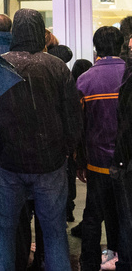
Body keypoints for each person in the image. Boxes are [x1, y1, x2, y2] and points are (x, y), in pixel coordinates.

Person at [0, 8, 81, 271]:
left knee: (4, 230)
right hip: (50, 162)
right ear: (41, 32)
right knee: (54, 232)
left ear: (15, 32)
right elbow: (72, 117)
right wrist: (67, 151)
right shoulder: (56, 66)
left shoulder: (0, 64)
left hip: (7, 162)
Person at [75, 26, 124, 271]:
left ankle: (89, 262)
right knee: (124, 216)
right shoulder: (129, 74)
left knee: (93, 216)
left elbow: (78, 127)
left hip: (97, 163)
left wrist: (80, 161)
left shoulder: (85, 80)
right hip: (126, 164)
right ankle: (121, 258)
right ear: (122, 45)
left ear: (96, 48)